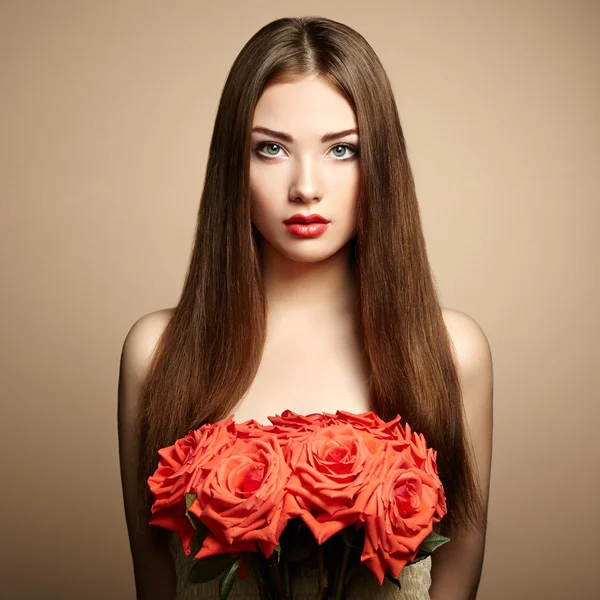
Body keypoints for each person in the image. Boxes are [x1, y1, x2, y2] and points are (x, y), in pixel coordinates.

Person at [118, 15, 493, 600]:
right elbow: (154, 579)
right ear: (231, 167)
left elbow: (458, 575)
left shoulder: (451, 351)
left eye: (343, 149)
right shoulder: (159, 352)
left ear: (381, 165)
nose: (306, 186)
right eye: (271, 149)